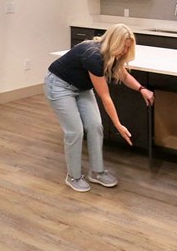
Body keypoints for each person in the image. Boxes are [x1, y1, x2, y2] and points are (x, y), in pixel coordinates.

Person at [44, 24, 154, 192]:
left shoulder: (112, 54)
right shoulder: (93, 55)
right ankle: (73, 176)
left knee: (95, 126)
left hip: (81, 88)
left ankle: (97, 172)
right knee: (75, 131)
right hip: (59, 85)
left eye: (128, 47)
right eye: (123, 46)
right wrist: (118, 125)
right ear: (114, 42)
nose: (125, 51)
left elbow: (123, 74)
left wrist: (141, 89)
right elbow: (105, 96)